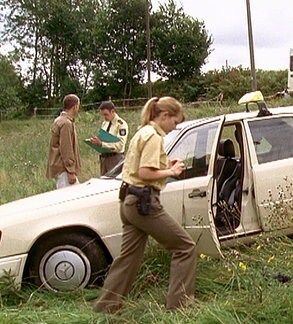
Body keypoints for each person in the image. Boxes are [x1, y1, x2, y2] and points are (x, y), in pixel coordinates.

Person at [93, 97, 197, 313]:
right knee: (185, 247)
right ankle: (179, 307)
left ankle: (105, 309)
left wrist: (165, 165)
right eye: (175, 122)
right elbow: (145, 173)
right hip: (144, 203)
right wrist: (171, 172)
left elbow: (139, 168)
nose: (174, 128)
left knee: (128, 259)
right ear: (165, 116)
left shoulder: (142, 132)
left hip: (128, 202)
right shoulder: (153, 137)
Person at [46, 94, 82, 189]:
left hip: (60, 167)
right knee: (72, 198)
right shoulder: (66, 123)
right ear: (75, 107)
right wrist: (71, 171)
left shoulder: (59, 120)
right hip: (64, 169)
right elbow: (66, 148)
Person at [89, 101, 129, 175]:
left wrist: (102, 144)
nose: (104, 117)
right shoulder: (105, 123)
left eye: (106, 114)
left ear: (112, 111)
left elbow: (120, 145)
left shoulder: (121, 125)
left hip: (115, 158)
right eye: (102, 115)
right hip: (104, 158)